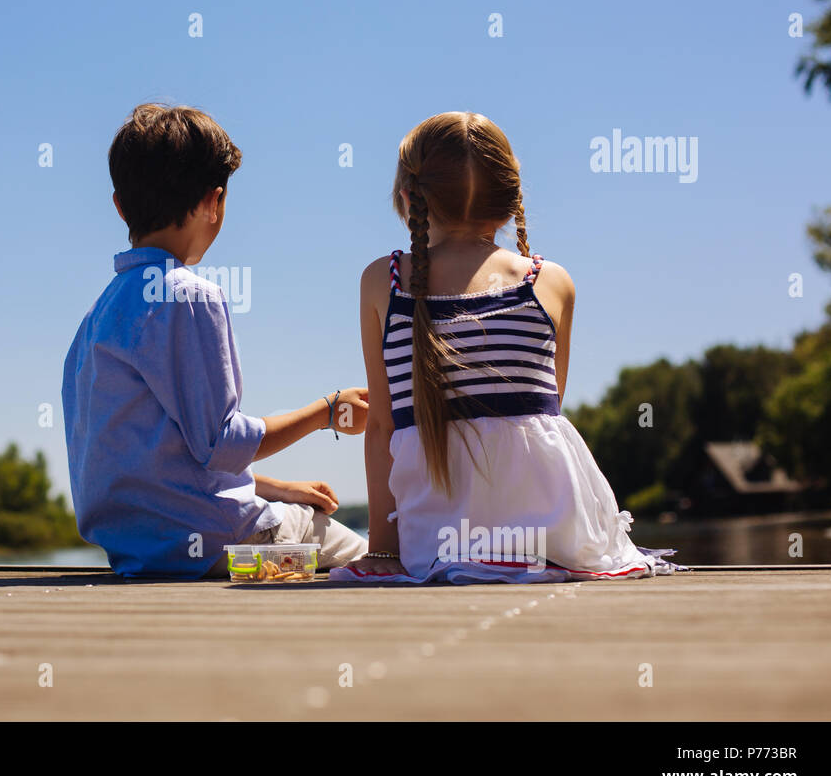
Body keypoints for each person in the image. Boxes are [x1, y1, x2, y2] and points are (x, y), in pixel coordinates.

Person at [335, 111, 679, 584]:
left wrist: (385, 552)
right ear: (512, 200)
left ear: (407, 198)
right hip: (555, 537)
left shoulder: (382, 281)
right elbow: (547, 412)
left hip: (437, 541)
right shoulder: (551, 281)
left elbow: (380, 426)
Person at [62, 103, 370, 578]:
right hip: (226, 542)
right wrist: (327, 410)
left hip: (141, 555)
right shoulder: (189, 296)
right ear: (216, 202)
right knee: (372, 558)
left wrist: (274, 489)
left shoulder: (94, 323)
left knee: (305, 518)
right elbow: (221, 443)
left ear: (120, 205)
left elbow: (161, 465)